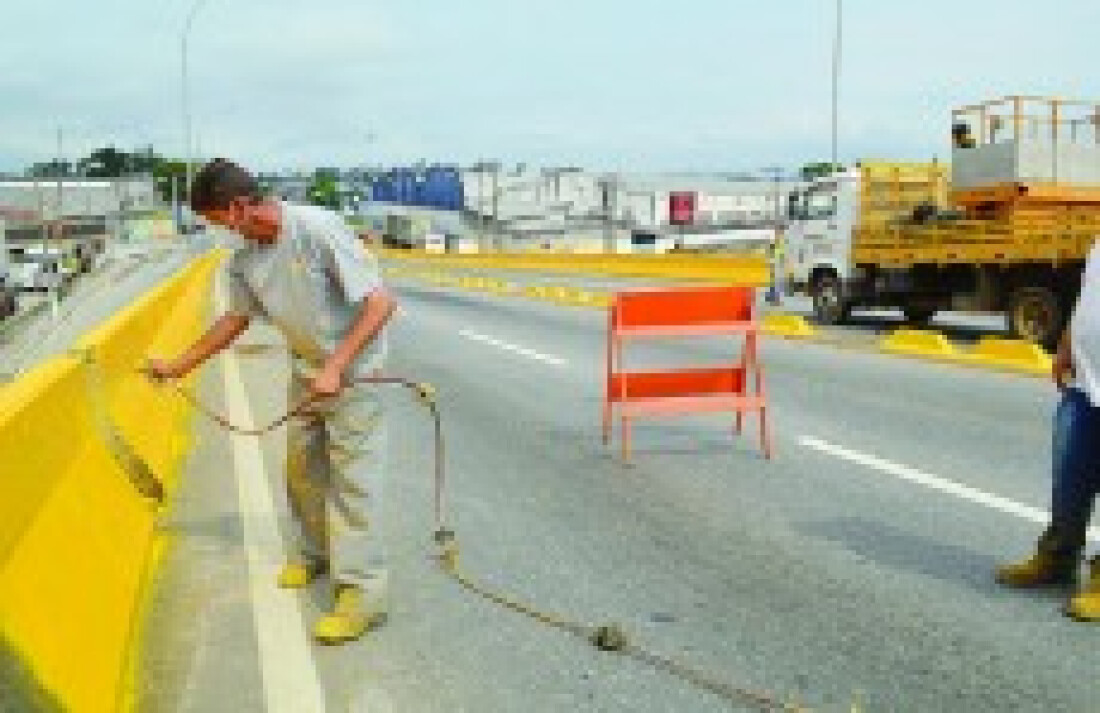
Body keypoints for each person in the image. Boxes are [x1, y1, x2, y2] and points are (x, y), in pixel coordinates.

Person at [147, 158, 397, 644]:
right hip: (308, 372)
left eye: (217, 220)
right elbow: (233, 322)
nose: (219, 231)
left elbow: (380, 303)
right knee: (302, 471)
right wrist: (177, 366)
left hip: (355, 374)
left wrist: (336, 366)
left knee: (353, 483)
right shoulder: (243, 260)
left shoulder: (316, 229)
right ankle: (314, 554)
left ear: (240, 207)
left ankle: (362, 594)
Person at [995, 245, 1100, 622]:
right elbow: (1090, 294)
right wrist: (1067, 345)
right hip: (1086, 382)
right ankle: (1058, 557)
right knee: (1069, 475)